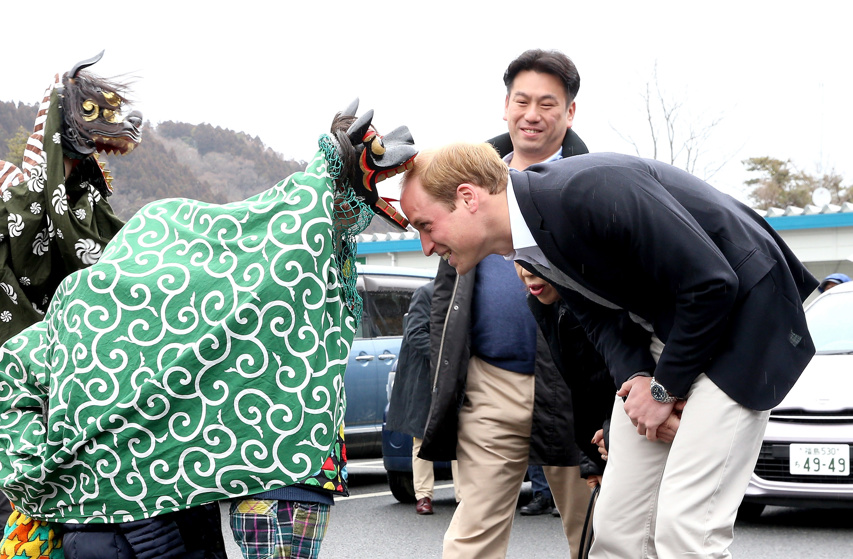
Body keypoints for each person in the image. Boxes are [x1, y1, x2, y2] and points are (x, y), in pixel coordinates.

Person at [399, 143, 817, 558]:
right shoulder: (529, 239)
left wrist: (663, 389)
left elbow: (712, 283)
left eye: (425, 225)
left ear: (468, 198)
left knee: (687, 528)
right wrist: (637, 377)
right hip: (677, 328)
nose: (425, 246)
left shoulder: (583, 191)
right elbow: (600, 316)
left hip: (748, 320)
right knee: (617, 526)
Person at [417, 49, 591, 559]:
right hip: (489, 384)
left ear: (570, 112)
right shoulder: (466, 181)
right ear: (506, 105)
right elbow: (444, 292)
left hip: (573, 387)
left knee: (596, 531)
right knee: (471, 538)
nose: (531, 114)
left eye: (547, 103)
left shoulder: (589, 184)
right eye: (521, 101)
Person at [386, 279, 459, 515]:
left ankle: (464, 497)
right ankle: (423, 496)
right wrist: (445, 356)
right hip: (425, 377)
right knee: (422, 436)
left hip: (455, 374)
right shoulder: (426, 293)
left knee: (460, 437)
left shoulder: (464, 293)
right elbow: (415, 332)